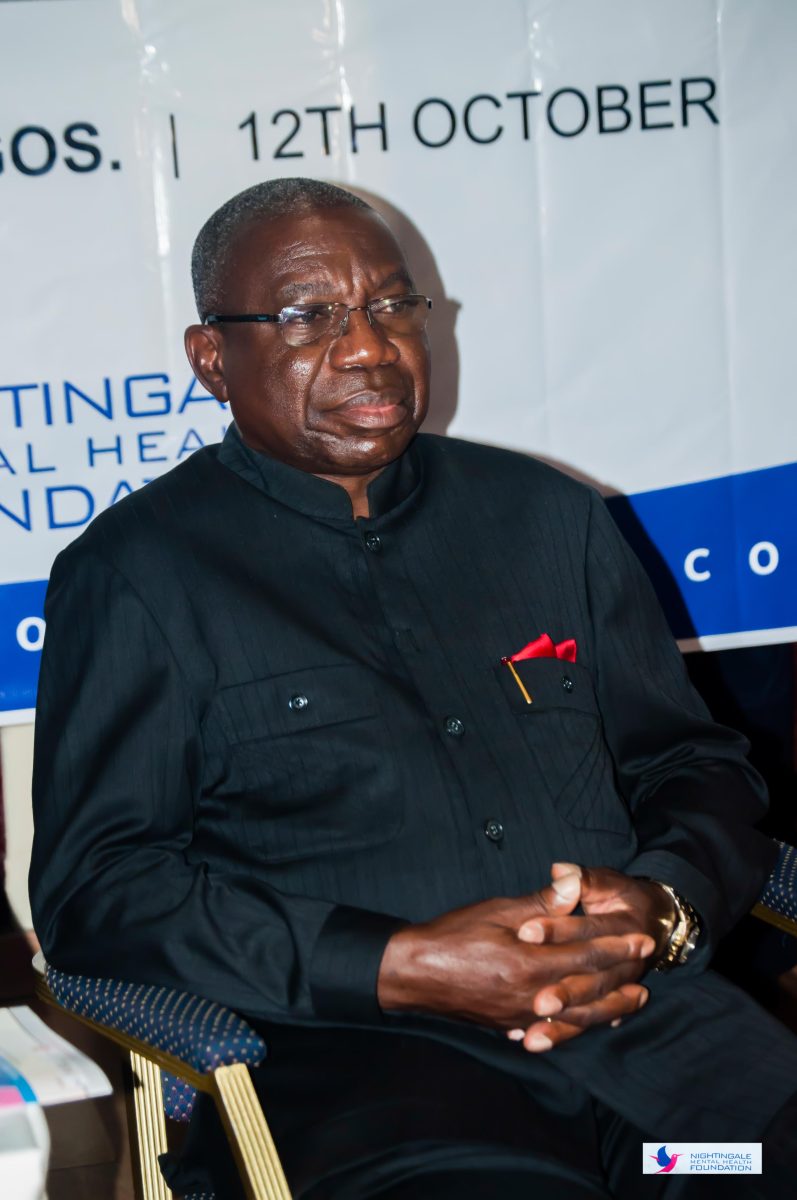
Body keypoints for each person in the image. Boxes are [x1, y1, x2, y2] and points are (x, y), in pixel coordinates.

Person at [29, 178, 797, 1198]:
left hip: (644, 1038)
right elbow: (100, 889)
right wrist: (397, 963)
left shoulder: (548, 518)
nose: (367, 346)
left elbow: (687, 763)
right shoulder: (137, 574)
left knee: (748, 1167)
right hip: (374, 1074)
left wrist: (660, 900)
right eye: (309, 316)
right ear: (212, 358)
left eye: (392, 305)